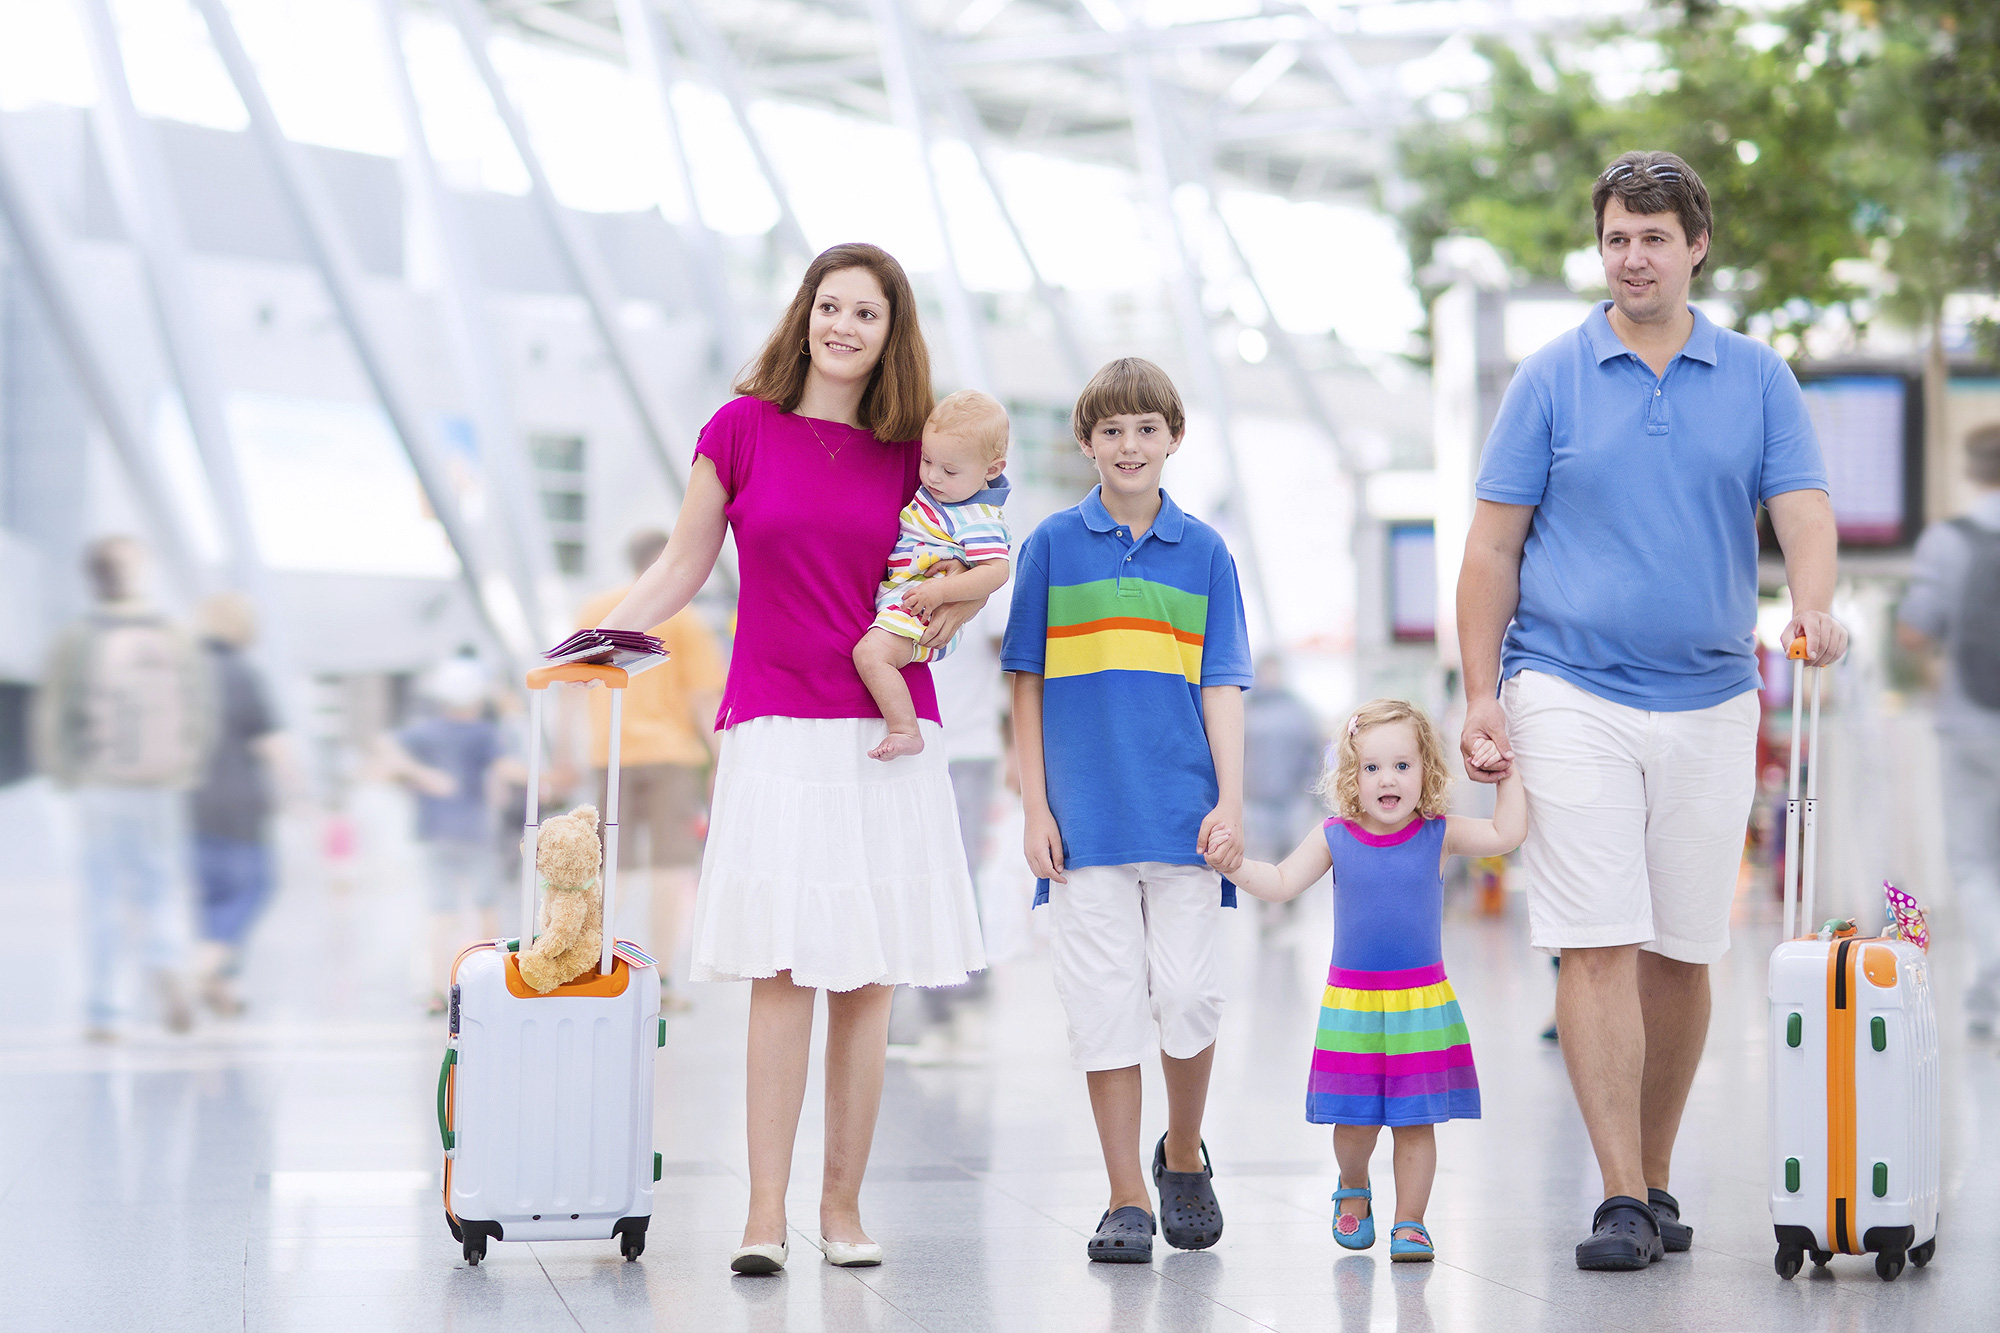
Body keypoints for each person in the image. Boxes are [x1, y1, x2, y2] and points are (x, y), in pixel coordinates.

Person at [1455, 149, 1847, 1271]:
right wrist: (1482, 694)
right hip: (1565, 685)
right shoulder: (1548, 377)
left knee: (1682, 947)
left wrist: (1810, 610)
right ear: (1600, 247)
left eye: (1653, 239)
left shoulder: (1756, 377)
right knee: (1594, 939)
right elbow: (1491, 545)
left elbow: (1803, 513)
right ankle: (1617, 1192)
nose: (1632, 257)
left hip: (1713, 693)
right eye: (1616, 238)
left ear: (1695, 247)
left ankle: (1656, 1175)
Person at [592, 243, 986, 1275]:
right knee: (781, 968)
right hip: (774, 723)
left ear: (889, 331)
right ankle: (762, 1214)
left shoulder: (916, 450)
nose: (844, 326)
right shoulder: (738, 429)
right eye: (829, 306)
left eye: (866, 312)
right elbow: (683, 561)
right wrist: (603, 638)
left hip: (885, 728)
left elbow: (969, 556)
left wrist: (937, 614)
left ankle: (842, 1209)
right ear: (803, 315)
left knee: (868, 977)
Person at [1003, 356, 1253, 1264]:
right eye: (1112, 430)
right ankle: (1123, 1196)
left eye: (1147, 428)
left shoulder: (1208, 552)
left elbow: (1223, 684)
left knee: (1189, 993)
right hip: (1084, 826)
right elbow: (1023, 684)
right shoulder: (1051, 546)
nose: (1130, 444)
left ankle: (1182, 1153)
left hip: (1184, 818)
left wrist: (1231, 796)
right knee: (1102, 1006)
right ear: (1086, 443)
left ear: (1173, 438)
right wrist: (1035, 804)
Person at [1207, 698, 1523, 1262]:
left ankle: (1411, 1221)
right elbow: (1280, 882)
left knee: (1415, 1121)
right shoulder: (1336, 836)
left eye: (1402, 765)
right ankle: (1353, 1185)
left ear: (1427, 769)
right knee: (1354, 1121)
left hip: (1421, 1005)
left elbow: (1506, 832)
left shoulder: (1438, 834)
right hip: (1353, 1006)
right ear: (1351, 775)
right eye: (1372, 767)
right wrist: (1235, 868)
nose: (1387, 779)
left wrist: (1507, 773)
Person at [35, 536, 216, 1040]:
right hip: (161, 782)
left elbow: (54, 711)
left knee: (101, 895)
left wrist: (64, 773)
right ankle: (164, 961)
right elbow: (200, 704)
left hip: (98, 782)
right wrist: (188, 763)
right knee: (161, 887)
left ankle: (103, 1010)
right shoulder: (174, 634)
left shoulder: (77, 637)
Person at [570, 528, 728, 1012]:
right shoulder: (685, 620)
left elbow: (568, 686)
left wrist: (564, 757)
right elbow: (705, 699)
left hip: (608, 755)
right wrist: (721, 760)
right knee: (668, 867)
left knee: (604, 867)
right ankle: (660, 980)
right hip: (672, 757)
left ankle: (585, 967)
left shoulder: (596, 609)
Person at [1896, 422, 2000, 1037]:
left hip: (1968, 722)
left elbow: (1914, 629)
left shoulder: (1947, 540)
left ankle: (1993, 987)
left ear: (1971, 468)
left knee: (1973, 860)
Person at [852, 389, 1012, 760]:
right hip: (905, 600)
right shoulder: (943, 495)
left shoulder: (978, 519)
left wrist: (942, 594)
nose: (933, 477)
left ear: (992, 470)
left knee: (871, 655)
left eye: (949, 470)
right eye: (927, 461)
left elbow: (996, 570)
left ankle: (906, 728)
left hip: (922, 609)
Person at [375, 655, 525, 1012]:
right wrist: (545, 780)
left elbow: (384, 747)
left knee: (440, 914)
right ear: (476, 699)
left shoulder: (424, 732)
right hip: (475, 834)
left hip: (433, 834)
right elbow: (506, 769)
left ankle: (435, 990)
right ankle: (492, 983)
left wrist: (420, 775)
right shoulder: (484, 733)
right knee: (486, 907)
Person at [186, 592, 289, 1017]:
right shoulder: (242, 673)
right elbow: (273, 744)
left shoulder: (185, 673)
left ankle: (225, 987)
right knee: (256, 886)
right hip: (239, 806)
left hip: (190, 803)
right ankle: (206, 967)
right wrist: (298, 795)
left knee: (213, 899)